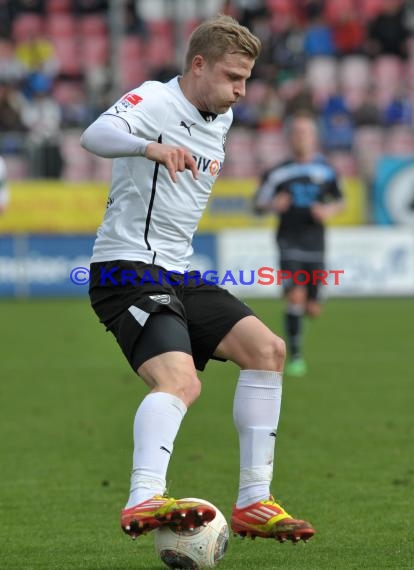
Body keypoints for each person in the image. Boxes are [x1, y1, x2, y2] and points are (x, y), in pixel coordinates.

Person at [81, 15, 315, 544]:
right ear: (198, 64)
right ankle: (144, 496)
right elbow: (93, 135)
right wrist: (149, 147)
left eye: (248, 79)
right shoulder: (155, 101)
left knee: (268, 350)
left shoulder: (221, 118)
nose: (242, 90)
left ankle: (255, 502)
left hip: (178, 270)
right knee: (181, 383)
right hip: (125, 269)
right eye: (233, 76)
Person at [254, 111, 344, 377]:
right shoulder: (277, 172)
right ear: (289, 138)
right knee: (295, 295)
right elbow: (257, 204)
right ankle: (295, 356)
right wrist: (273, 205)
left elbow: (340, 201)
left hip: (316, 243)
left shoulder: (326, 170)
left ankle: (308, 307)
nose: (301, 138)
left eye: (306, 132)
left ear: (314, 137)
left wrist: (328, 211)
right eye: (296, 133)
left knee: (313, 309)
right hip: (288, 241)